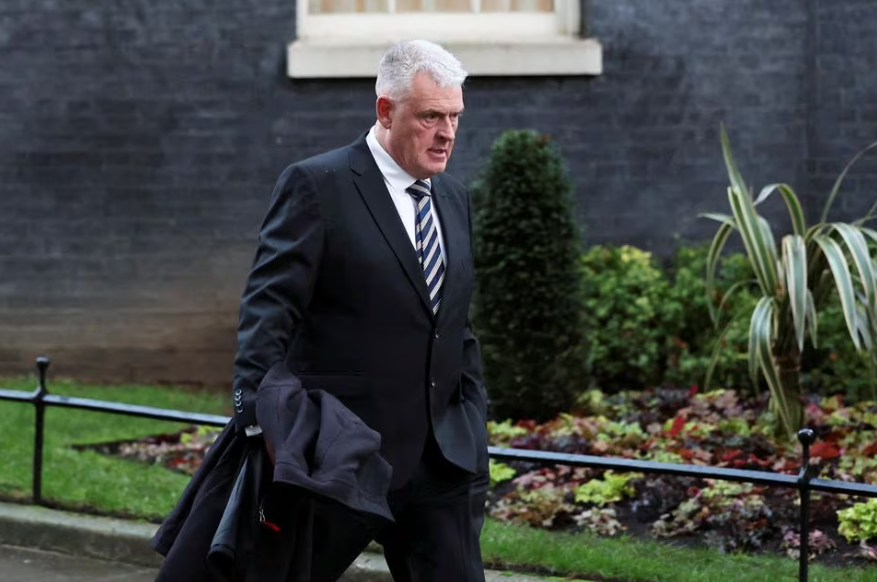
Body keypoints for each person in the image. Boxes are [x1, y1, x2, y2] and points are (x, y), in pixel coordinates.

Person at [231, 39, 491, 581]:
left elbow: (453, 323)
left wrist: (472, 415)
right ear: (386, 110)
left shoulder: (454, 197)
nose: (447, 134)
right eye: (430, 117)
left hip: (442, 461)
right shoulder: (316, 185)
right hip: (340, 456)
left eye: (455, 117)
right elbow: (268, 311)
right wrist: (260, 425)